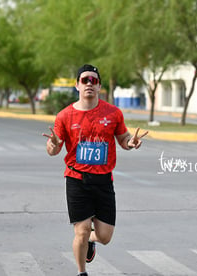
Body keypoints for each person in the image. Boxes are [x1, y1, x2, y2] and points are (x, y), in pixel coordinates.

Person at [42, 64, 148, 276]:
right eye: (85, 80)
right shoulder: (65, 116)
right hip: (76, 179)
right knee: (80, 231)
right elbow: (54, 149)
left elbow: (123, 139)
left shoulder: (113, 113)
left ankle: (92, 240)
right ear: (77, 85)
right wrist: (52, 145)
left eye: (94, 80)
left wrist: (131, 143)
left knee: (105, 236)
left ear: (99, 86)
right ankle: (82, 272)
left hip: (103, 181)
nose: (89, 84)